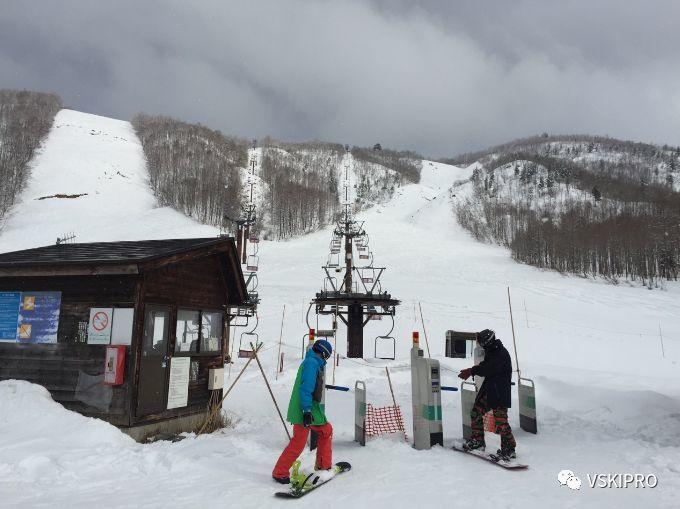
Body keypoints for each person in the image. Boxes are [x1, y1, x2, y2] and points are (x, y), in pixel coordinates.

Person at [272, 339, 334, 484]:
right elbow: (306, 389)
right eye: (327, 357)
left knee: (321, 432)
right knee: (310, 437)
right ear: (323, 353)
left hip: (307, 408)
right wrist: (306, 411)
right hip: (306, 409)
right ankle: (281, 472)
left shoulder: (311, 362)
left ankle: (322, 466)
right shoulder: (312, 364)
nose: (326, 360)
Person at [458, 329, 517, 460]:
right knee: (475, 413)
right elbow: (486, 365)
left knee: (501, 422)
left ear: (487, 341)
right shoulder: (492, 351)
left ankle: (509, 448)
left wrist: (471, 371)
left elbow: (487, 369)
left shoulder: (500, 353)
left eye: (481, 342)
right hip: (489, 390)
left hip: (499, 393)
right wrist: (472, 371)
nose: (480, 345)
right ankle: (478, 442)